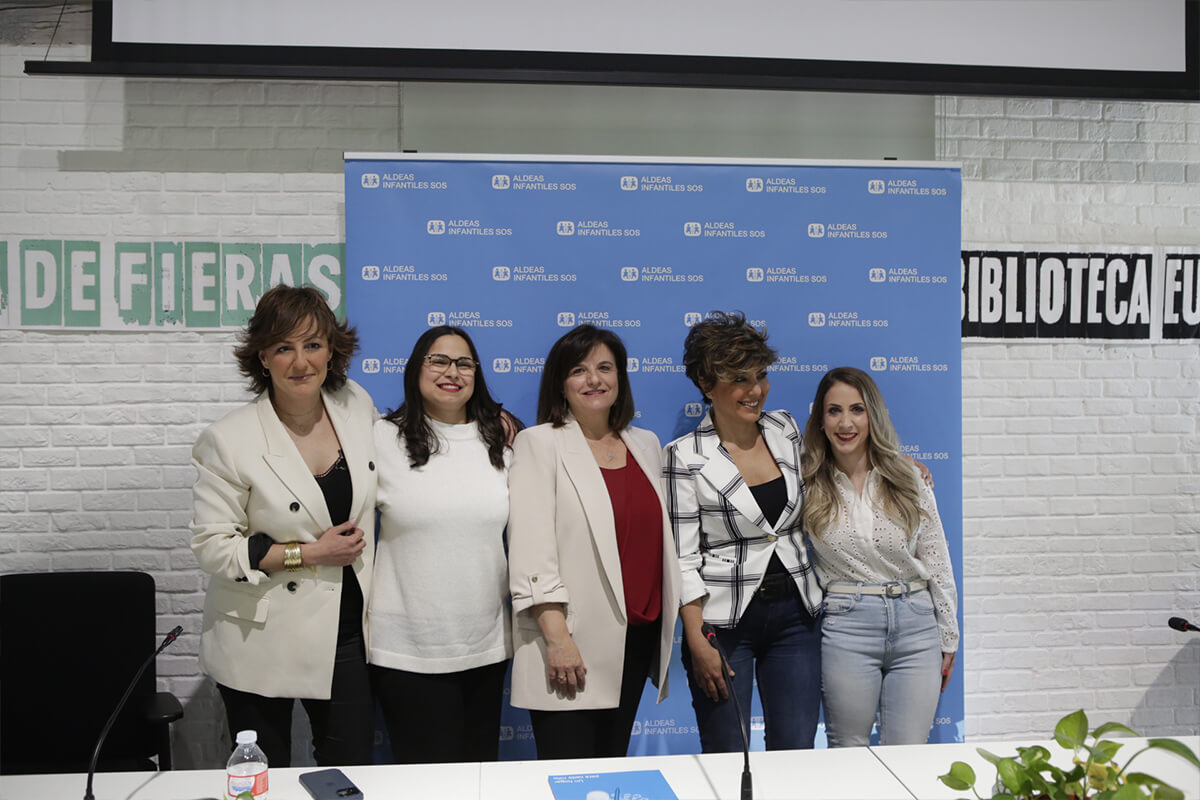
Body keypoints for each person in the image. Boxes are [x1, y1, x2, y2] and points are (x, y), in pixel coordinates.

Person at [190, 284, 377, 766]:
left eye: (313, 345)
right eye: (284, 348)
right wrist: (310, 554)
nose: (301, 362)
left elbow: (403, 451)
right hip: (260, 636)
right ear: (263, 357)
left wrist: (486, 420)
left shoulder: (355, 404)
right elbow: (213, 547)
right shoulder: (228, 439)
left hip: (346, 630)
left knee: (349, 772)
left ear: (332, 351)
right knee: (263, 774)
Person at [507, 325, 681, 759]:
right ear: (561, 384)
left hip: (635, 641)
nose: (594, 379)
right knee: (571, 778)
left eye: (605, 368)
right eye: (579, 371)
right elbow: (531, 552)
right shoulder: (539, 443)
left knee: (611, 771)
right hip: (572, 642)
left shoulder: (645, 444)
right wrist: (558, 638)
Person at [664, 311, 823, 752]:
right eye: (740, 379)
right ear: (706, 384)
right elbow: (682, 557)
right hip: (724, 624)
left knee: (795, 753)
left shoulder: (787, 428)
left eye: (761, 375)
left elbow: (838, 471)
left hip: (797, 615)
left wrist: (900, 466)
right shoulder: (684, 455)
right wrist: (696, 638)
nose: (756, 390)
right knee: (728, 754)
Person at [368, 326, 521, 763]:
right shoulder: (381, 438)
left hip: (485, 645)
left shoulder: (502, 443)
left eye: (463, 363)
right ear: (417, 368)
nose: (451, 372)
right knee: (422, 783)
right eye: (438, 360)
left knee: (477, 779)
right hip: (406, 649)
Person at [801, 366, 958, 747]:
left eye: (857, 409)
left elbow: (936, 558)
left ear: (872, 415)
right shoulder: (805, 481)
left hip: (917, 625)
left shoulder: (908, 477)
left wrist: (949, 634)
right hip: (847, 625)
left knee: (908, 755)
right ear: (820, 420)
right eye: (833, 411)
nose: (845, 422)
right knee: (849, 752)